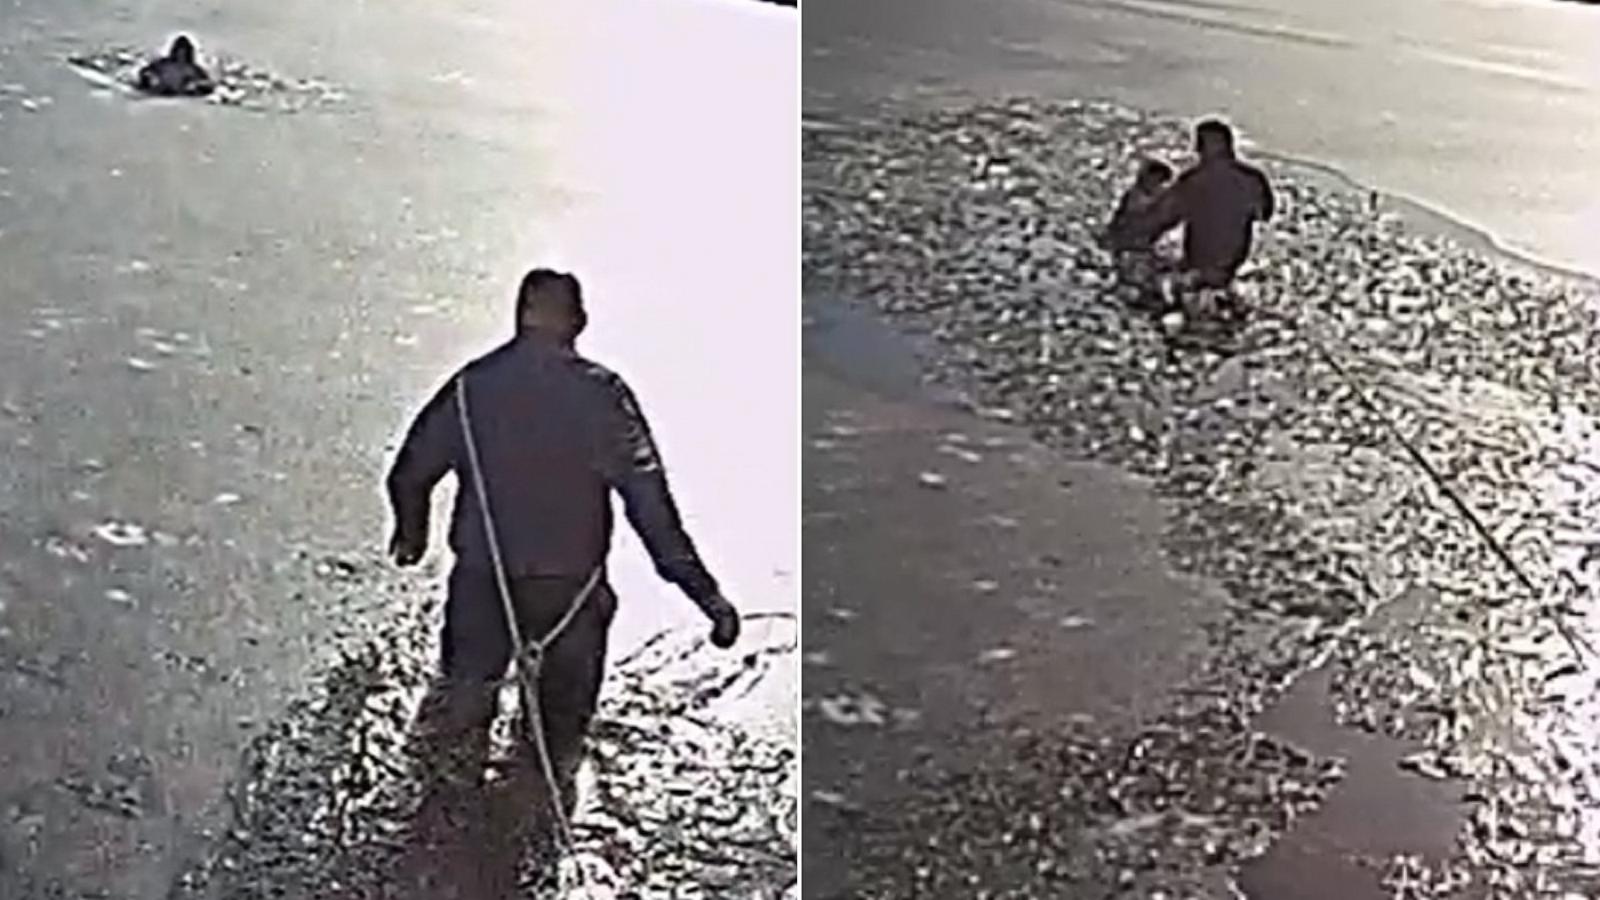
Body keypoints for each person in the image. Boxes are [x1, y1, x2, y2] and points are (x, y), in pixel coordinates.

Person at [385, 268, 741, 817]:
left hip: (484, 586)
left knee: (456, 730)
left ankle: (439, 842)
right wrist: (705, 595)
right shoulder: (602, 397)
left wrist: (412, 532)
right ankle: (535, 845)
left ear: (518, 317)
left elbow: (410, 471)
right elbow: (650, 506)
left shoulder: (472, 387)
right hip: (570, 598)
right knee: (555, 755)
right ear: (578, 323)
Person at [1150, 118, 1275, 291]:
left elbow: (1162, 218)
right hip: (1234, 261)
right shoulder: (1253, 180)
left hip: (1199, 262)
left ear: (1200, 148)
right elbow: (1265, 213)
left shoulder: (1192, 181)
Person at [1103, 158, 1174, 253]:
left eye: (1159, 179)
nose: (1154, 181)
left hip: (1151, 240)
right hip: (1128, 235)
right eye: (1152, 176)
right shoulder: (1132, 193)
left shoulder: (1165, 196)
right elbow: (1119, 216)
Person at [136, 35, 216, 97]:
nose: (181, 55)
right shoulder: (162, 63)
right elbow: (144, 72)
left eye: (184, 52)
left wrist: (195, 85)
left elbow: (208, 85)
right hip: (160, 91)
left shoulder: (195, 70)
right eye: (179, 51)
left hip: (176, 93)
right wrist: (149, 78)